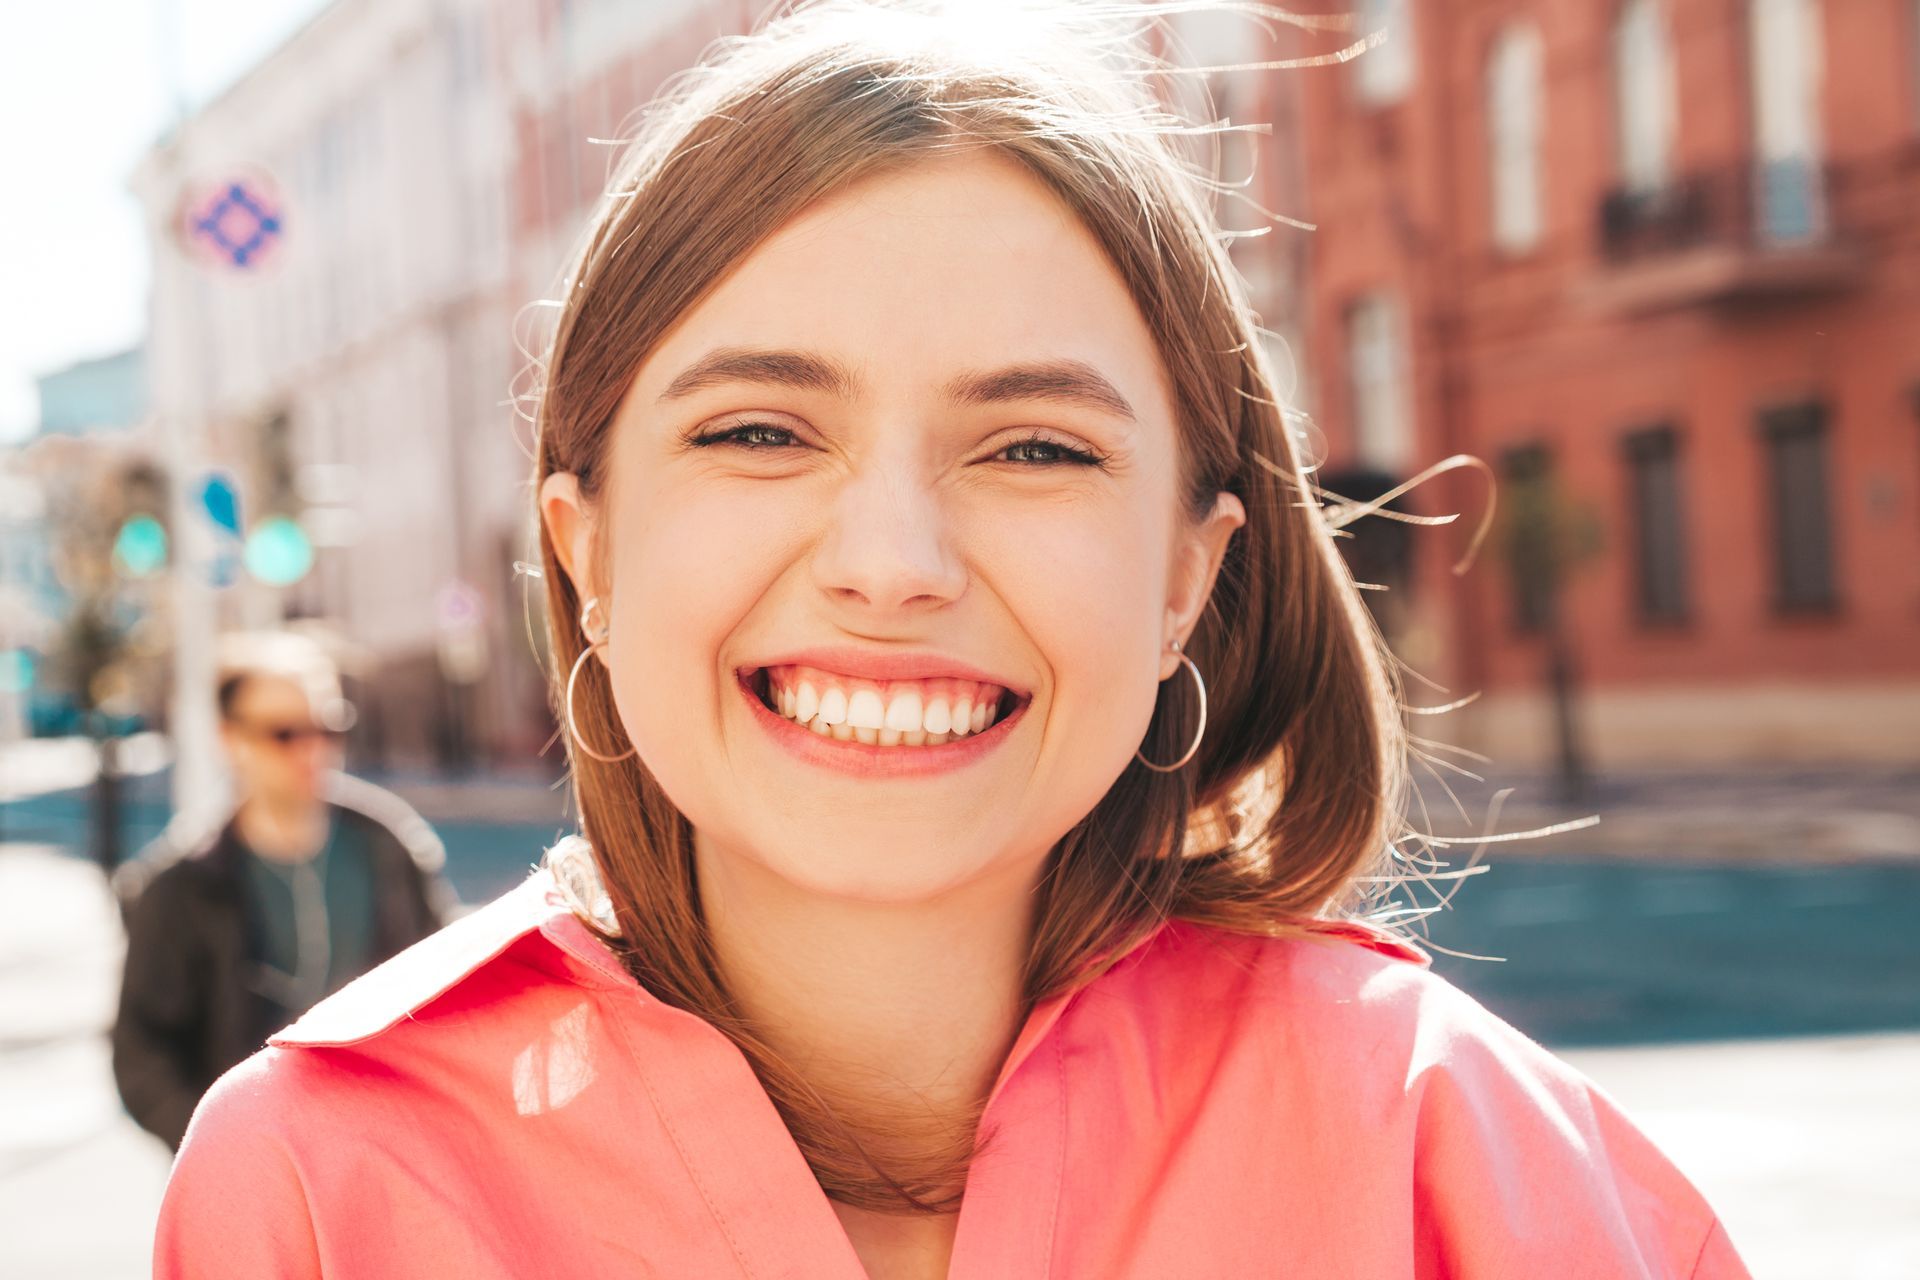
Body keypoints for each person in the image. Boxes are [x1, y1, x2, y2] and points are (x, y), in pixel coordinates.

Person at [153, 3, 1751, 1276]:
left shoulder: (1465, 1165)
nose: (894, 565)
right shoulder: (315, 1190)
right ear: (591, 548)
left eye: (1037, 448)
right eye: (762, 432)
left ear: (1189, 575)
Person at [112, 629, 455, 1151]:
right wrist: (227, 1149)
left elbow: (451, 989)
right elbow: (143, 1056)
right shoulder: (181, 888)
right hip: (253, 1178)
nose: (311, 749)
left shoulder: (391, 848)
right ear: (231, 739)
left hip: (385, 1156)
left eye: (328, 727)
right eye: (284, 733)